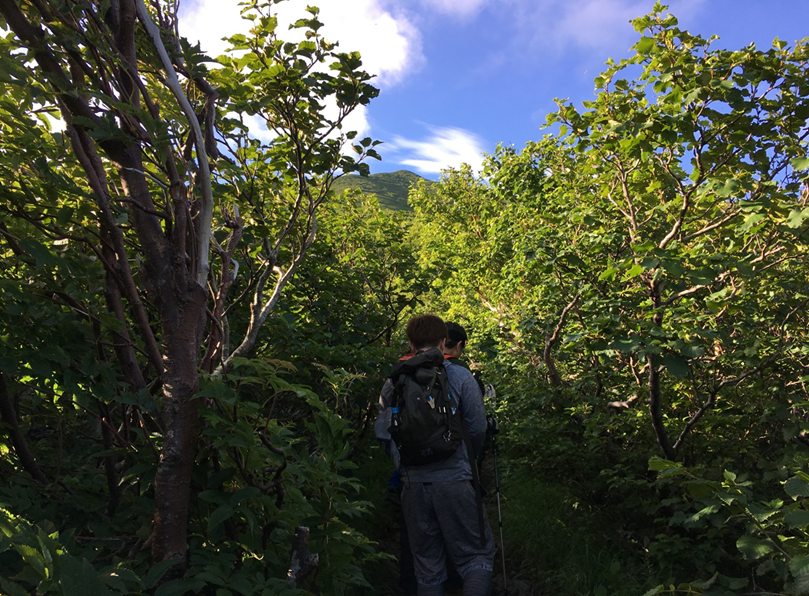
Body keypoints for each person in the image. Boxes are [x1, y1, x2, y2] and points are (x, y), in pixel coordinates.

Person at [376, 314, 496, 596]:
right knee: (476, 557)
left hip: (413, 485)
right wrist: (469, 462)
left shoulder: (395, 380)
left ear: (410, 343)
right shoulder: (459, 376)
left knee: (427, 567)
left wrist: (404, 465)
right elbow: (477, 428)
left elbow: (383, 432)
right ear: (444, 342)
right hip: (456, 479)